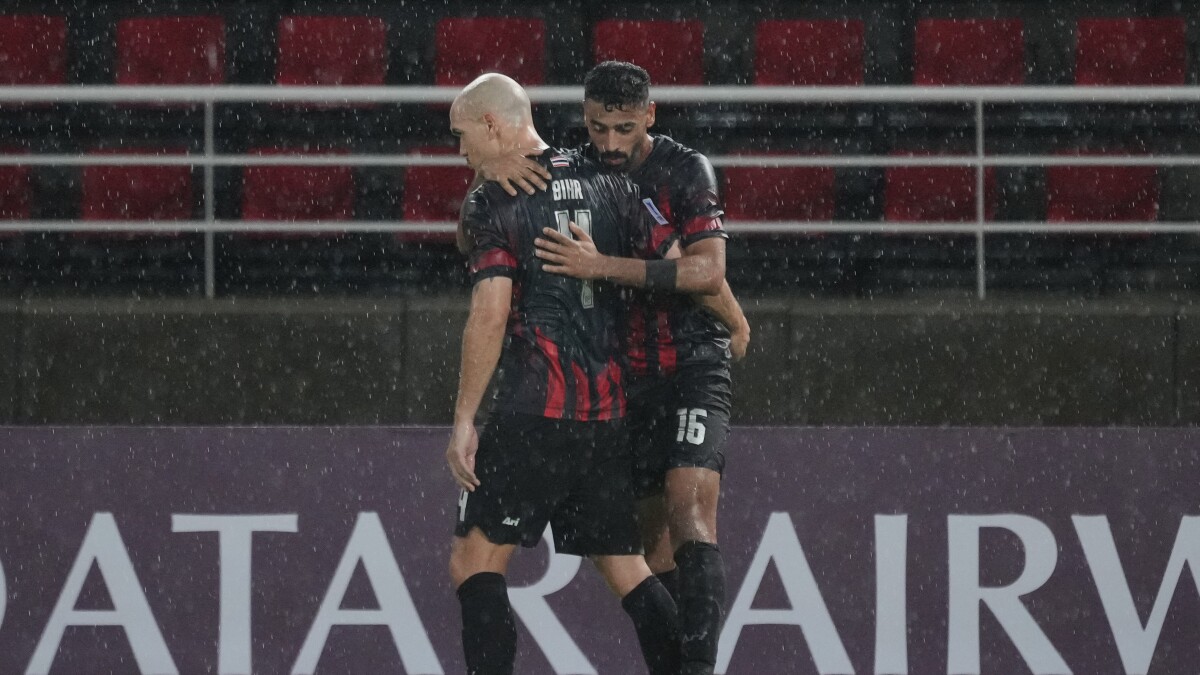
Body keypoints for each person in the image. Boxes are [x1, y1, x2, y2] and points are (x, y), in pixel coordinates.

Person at [479, 61, 750, 675]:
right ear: (584, 117)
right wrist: (487, 172)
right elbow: (480, 229)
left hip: (692, 362)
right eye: (597, 127)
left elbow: (708, 271)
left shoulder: (685, 170)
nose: (609, 142)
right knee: (652, 552)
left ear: (649, 116)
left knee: (690, 511)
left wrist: (601, 266)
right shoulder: (574, 170)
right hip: (625, 376)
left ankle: (700, 669)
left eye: (624, 128)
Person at [443, 72, 679, 675]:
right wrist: (731, 321)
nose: (460, 149)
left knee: (475, 562)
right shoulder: (607, 178)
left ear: (492, 124)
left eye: (463, 135)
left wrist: (465, 418)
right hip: (606, 414)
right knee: (627, 568)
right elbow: (677, 261)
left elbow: (490, 312)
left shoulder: (497, 201)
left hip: (534, 411)